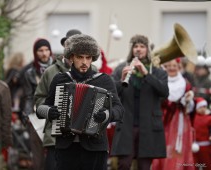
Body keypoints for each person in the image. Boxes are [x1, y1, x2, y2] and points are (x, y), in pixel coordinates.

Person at [36, 34, 124, 170]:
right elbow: (40, 109)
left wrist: (106, 115)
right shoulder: (60, 79)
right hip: (66, 146)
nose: (84, 62)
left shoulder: (104, 80)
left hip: (95, 147)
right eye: (80, 57)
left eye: (88, 58)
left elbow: (119, 110)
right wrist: (49, 111)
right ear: (71, 57)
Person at [111, 34, 169, 170]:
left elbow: (165, 92)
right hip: (126, 125)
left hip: (148, 126)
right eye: (135, 46)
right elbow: (110, 93)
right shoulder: (121, 69)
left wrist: (146, 74)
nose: (138, 49)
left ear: (147, 50)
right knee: (124, 164)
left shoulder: (158, 71)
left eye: (142, 46)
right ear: (132, 49)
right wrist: (121, 80)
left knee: (144, 166)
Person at [34, 29, 81, 170]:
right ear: (65, 47)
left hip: (83, 138)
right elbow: (39, 99)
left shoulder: (94, 72)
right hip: (55, 136)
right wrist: (49, 110)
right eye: (69, 45)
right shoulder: (50, 71)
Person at [152, 58, 195, 170]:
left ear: (179, 67)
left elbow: (190, 107)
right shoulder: (161, 82)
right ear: (165, 67)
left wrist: (188, 100)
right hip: (164, 120)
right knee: (164, 146)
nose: (172, 68)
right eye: (169, 66)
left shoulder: (185, 83)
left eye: (174, 66)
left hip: (180, 121)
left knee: (178, 147)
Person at [22, 38, 54, 170]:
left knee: (54, 154)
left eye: (47, 50)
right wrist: (28, 114)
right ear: (35, 53)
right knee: (37, 157)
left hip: (54, 114)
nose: (44, 53)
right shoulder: (29, 73)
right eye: (40, 50)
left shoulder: (57, 69)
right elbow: (28, 96)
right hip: (37, 116)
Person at [192, 97, 211, 169]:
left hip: (205, 147)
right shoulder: (192, 118)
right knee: (194, 166)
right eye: (201, 107)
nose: (203, 109)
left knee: (207, 165)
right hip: (194, 146)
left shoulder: (209, 118)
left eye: (204, 107)